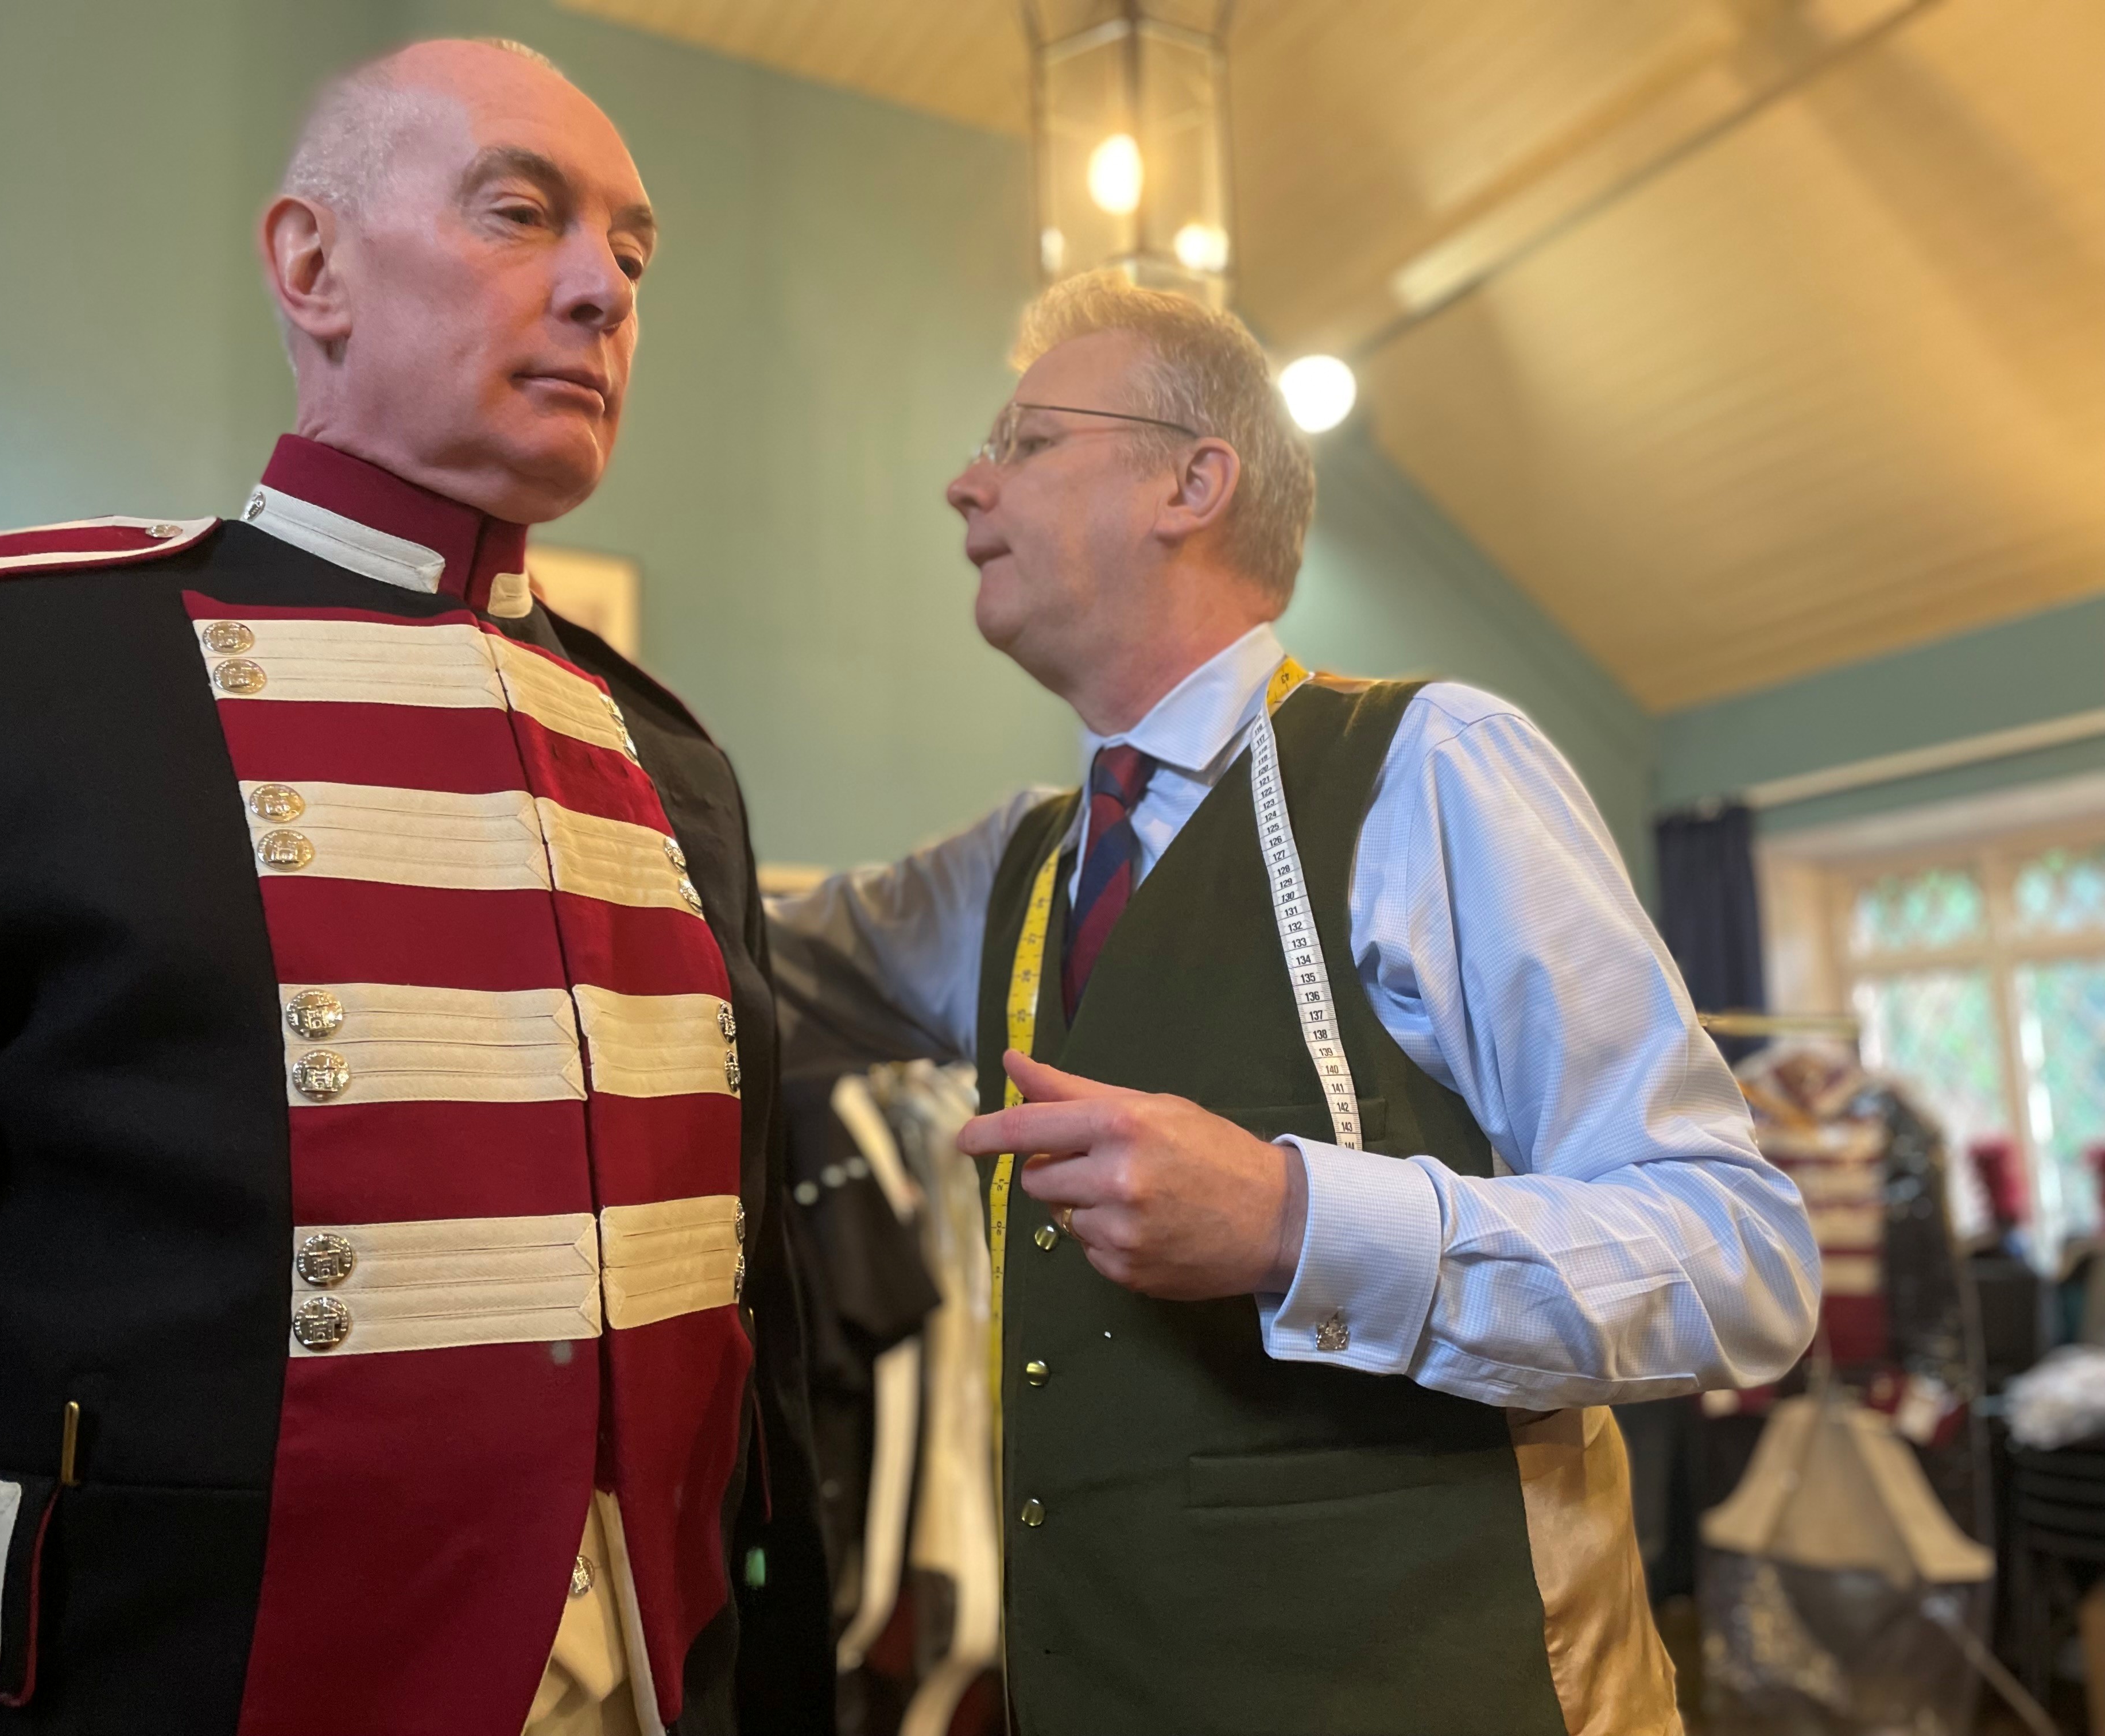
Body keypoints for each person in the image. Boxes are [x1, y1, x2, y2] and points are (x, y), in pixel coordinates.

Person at [0, 39, 827, 1736]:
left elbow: (754, 1352)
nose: (600, 291)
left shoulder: (672, 765)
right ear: (312, 262)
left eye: (633, 257)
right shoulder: (4, 662)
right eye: (523, 213)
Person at [767, 271, 1821, 1735]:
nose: (963, 485)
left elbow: (1738, 1258)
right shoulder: (1007, 873)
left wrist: (1295, 1222)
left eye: (1023, 441)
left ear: (1193, 483)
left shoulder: (1432, 767)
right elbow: (720, 946)